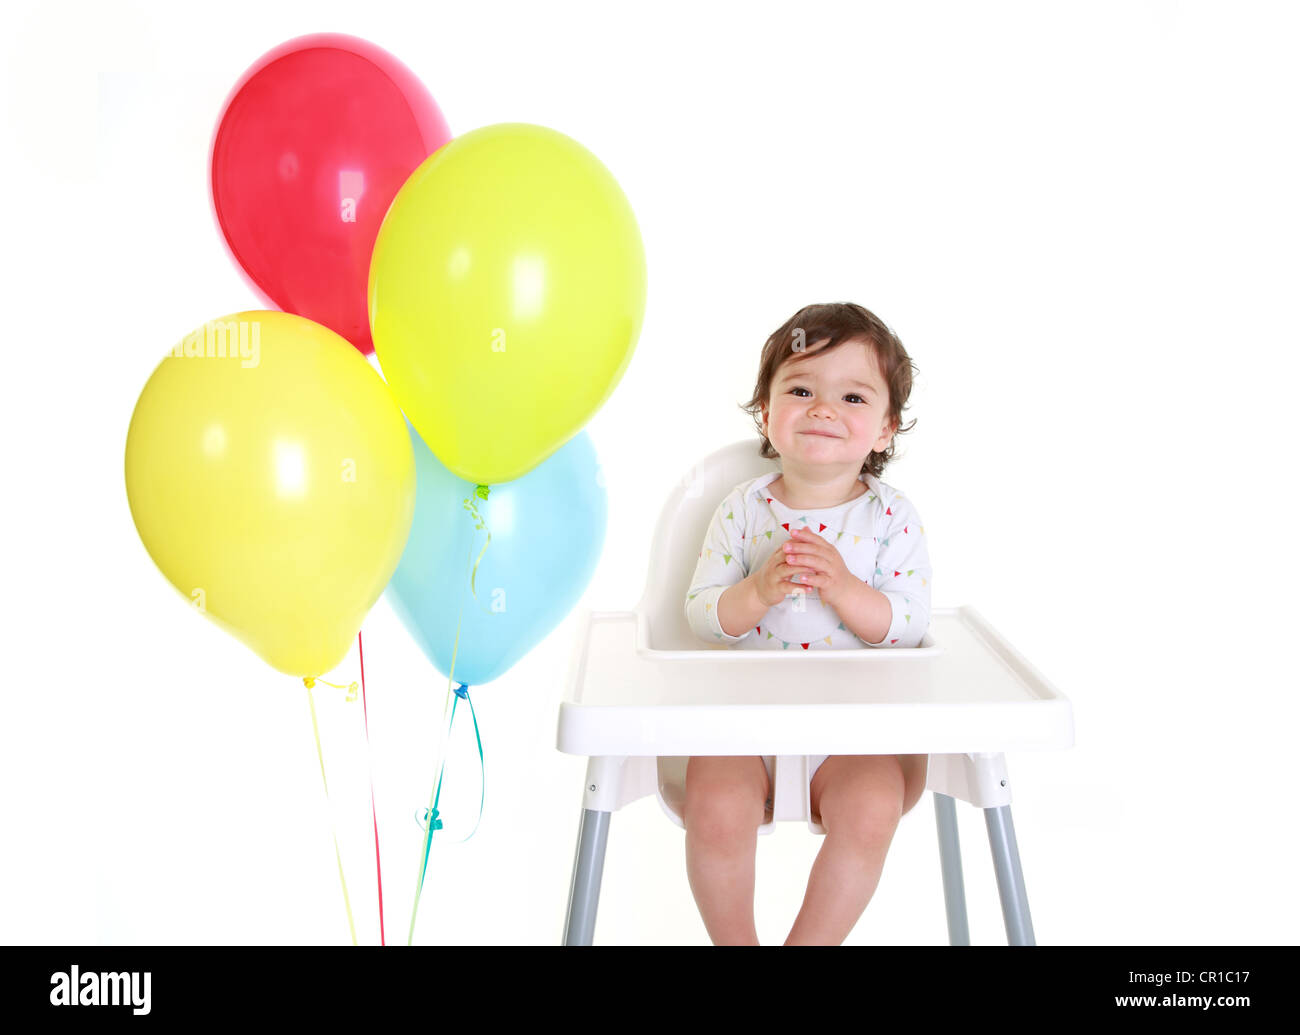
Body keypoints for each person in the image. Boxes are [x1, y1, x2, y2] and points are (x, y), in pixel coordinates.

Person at [682, 302, 932, 945]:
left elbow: (908, 623)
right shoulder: (741, 509)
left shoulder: (891, 518)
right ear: (766, 413)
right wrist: (757, 590)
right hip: (744, 724)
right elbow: (703, 614)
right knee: (713, 806)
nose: (823, 409)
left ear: (885, 429)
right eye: (800, 390)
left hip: (851, 730)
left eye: (852, 396)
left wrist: (846, 589)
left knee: (875, 805)